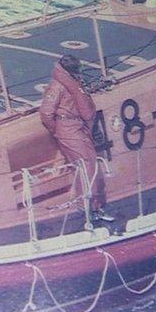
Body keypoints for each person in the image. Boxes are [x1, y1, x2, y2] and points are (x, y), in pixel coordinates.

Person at [39, 55, 111, 221]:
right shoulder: (57, 87)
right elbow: (46, 113)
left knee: (90, 163)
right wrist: (58, 130)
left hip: (79, 127)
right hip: (69, 128)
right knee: (85, 166)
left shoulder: (71, 83)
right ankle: (89, 208)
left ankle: (95, 206)